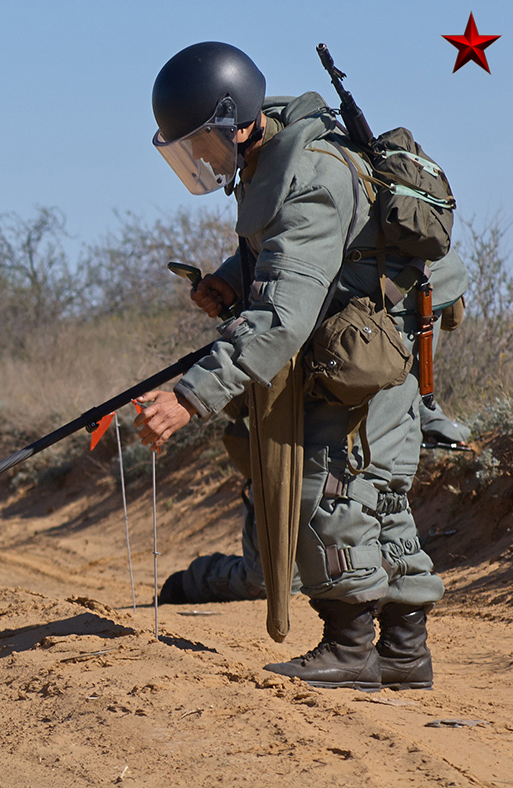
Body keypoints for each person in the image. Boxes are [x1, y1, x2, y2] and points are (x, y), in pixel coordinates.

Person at [136, 42, 467, 691]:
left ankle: (349, 648)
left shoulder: (309, 173)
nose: (201, 159)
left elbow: (284, 316)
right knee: (380, 496)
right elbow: (288, 255)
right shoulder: (272, 156)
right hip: (366, 333)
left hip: (373, 339)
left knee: (327, 483)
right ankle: (403, 653)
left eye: (203, 142)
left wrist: (190, 398)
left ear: (239, 118)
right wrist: (233, 282)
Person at [158, 399, 470, 605]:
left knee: (380, 566)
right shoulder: (294, 299)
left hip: (356, 457)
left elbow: (407, 357)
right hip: (289, 448)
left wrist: (424, 410)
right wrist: (191, 395)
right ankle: (197, 579)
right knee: (270, 583)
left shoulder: (399, 308)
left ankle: (395, 645)